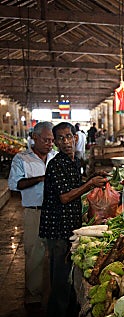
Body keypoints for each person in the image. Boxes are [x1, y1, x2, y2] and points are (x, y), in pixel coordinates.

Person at [39, 122, 108, 317]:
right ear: (56, 143)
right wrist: (89, 185)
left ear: (76, 138)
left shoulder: (73, 161)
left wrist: (90, 178)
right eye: (61, 139)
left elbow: (73, 186)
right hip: (58, 229)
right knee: (60, 283)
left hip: (69, 226)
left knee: (68, 280)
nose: (66, 142)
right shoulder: (56, 164)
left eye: (69, 137)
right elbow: (65, 197)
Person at [8, 121, 57, 306]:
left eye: (52, 140)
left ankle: (55, 293)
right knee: (34, 253)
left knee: (56, 252)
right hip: (34, 212)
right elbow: (15, 184)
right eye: (45, 139)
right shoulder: (22, 159)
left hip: (54, 211)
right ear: (34, 138)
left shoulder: (55, 157)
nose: (49, 144)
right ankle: (34, 294)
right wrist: (40, 179)